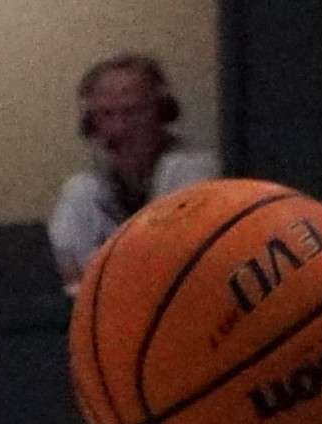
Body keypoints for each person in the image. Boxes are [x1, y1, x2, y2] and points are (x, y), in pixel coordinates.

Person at [47, 51, 221, 287]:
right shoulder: (84, 191)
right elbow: (72, 276)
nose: (120, 128)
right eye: (107, 114)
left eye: (133, 112)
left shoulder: (192, 172)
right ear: (90, 123)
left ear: (161, 113)